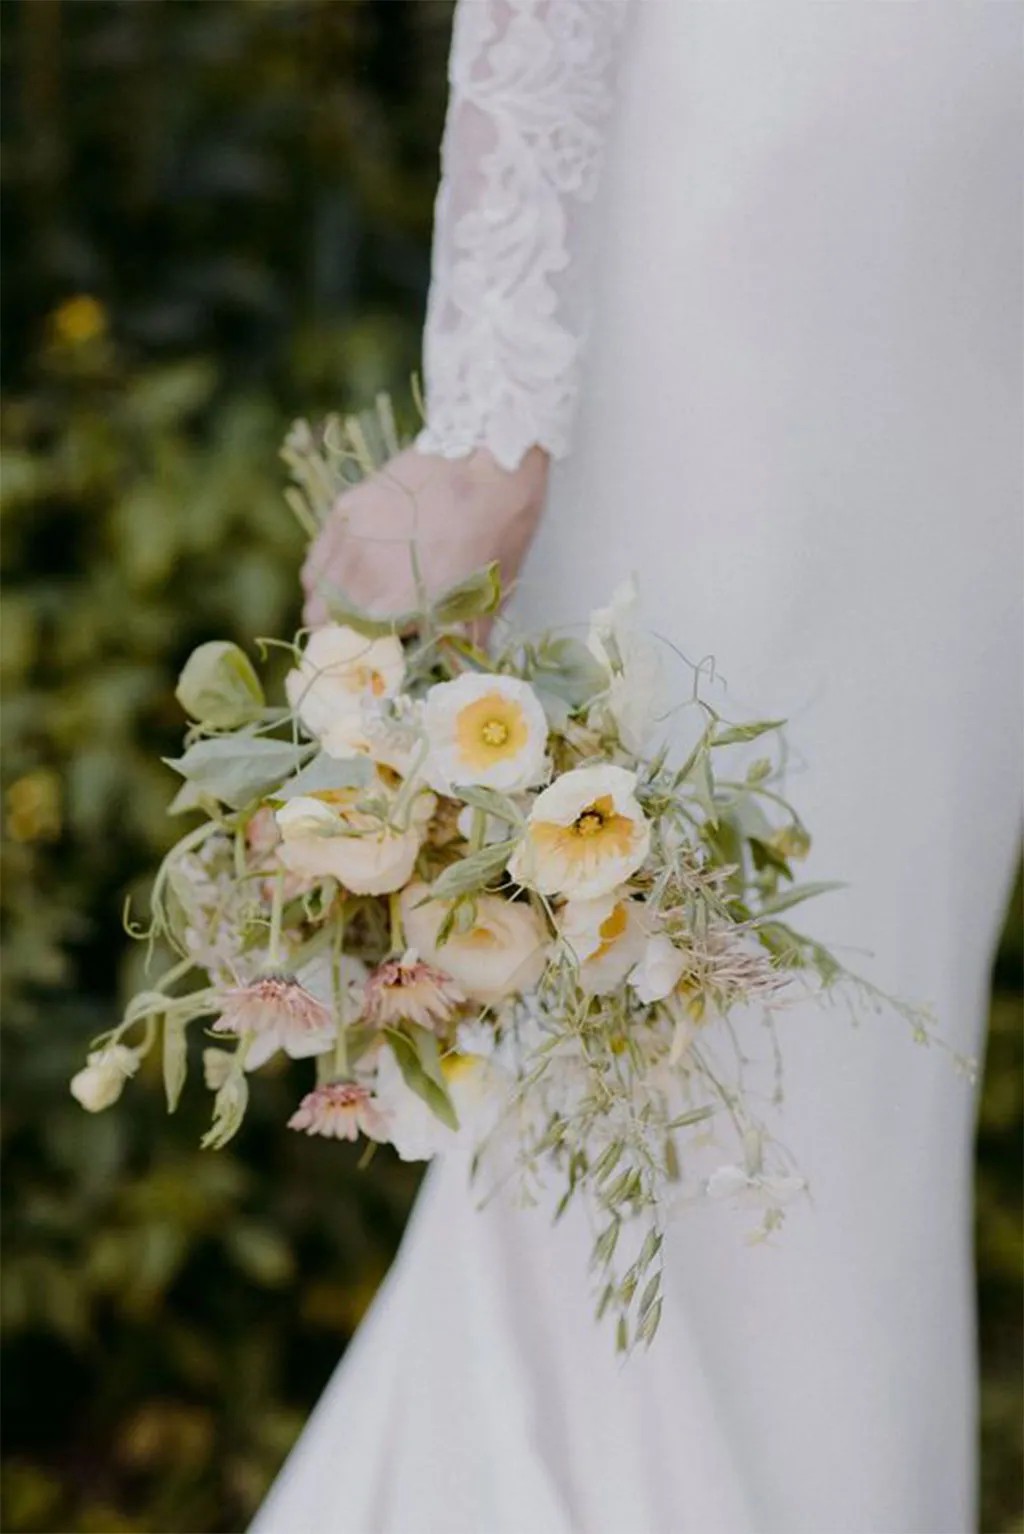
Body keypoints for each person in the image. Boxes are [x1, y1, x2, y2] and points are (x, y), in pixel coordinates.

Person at [253, 5, 1022, 1531]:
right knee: (687, 1055)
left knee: (869, 1100)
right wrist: (492, 418)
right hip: (748, 275)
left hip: (965, 310)